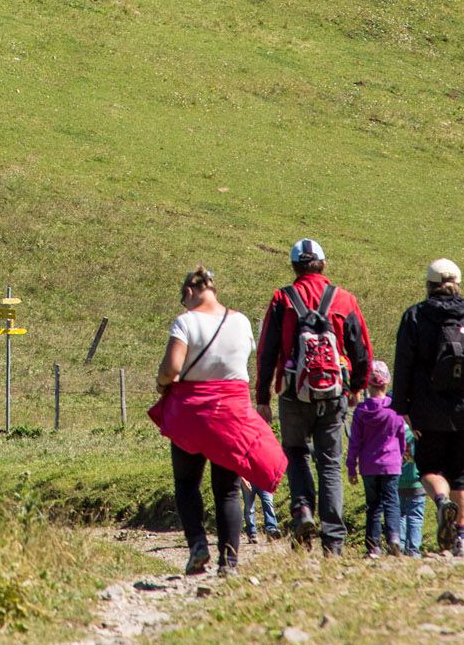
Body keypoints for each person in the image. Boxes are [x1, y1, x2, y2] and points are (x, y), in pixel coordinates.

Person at [150, 265, 287, 578]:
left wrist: (161, 383)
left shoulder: (186, 321)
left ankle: (198, 544)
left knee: (187, 484)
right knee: (227, 489)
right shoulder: (239, 321)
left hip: (191, 415)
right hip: (231, 414)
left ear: (189, 292)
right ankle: (230, 562)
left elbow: (172, 367)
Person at [255, 236, 372, 554]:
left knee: (296, 454)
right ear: (323, 263)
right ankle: (333, 540)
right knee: (330, 463)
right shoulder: (344, 299)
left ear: (294, 267)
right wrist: (357, 387)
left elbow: (267, 349)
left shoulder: (283, 298)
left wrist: (263, 396)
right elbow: (361, 348)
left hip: (294, 392)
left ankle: (303, 511)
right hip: (334, 393)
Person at [391, 256, 464, 557]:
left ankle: (442, 503)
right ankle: (462, 539)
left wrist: (402, 408)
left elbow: (403, 365)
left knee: (429, 468)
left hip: (427, 411)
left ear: (428, 286)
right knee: (463, 476)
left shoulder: (414, 317)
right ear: (458, 284)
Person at [346, 360, 405, 557]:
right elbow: (401, 435)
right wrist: (402, 454)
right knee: (392, 501)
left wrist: (351, 467)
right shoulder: (394, 409)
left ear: (367, 385)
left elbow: (355, 442)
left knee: (373, 506)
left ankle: (373, 547)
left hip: (368, 466)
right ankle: (394, 538)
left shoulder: (361, 412)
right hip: (391, 464)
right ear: (386, 383)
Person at [397, 418, 427, 556]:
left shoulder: (394, 431)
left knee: (400, 514)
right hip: (417, 481)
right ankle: (414, 550)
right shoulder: (419, 431)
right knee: (415, 516)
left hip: (397, 481)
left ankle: (400, 546)